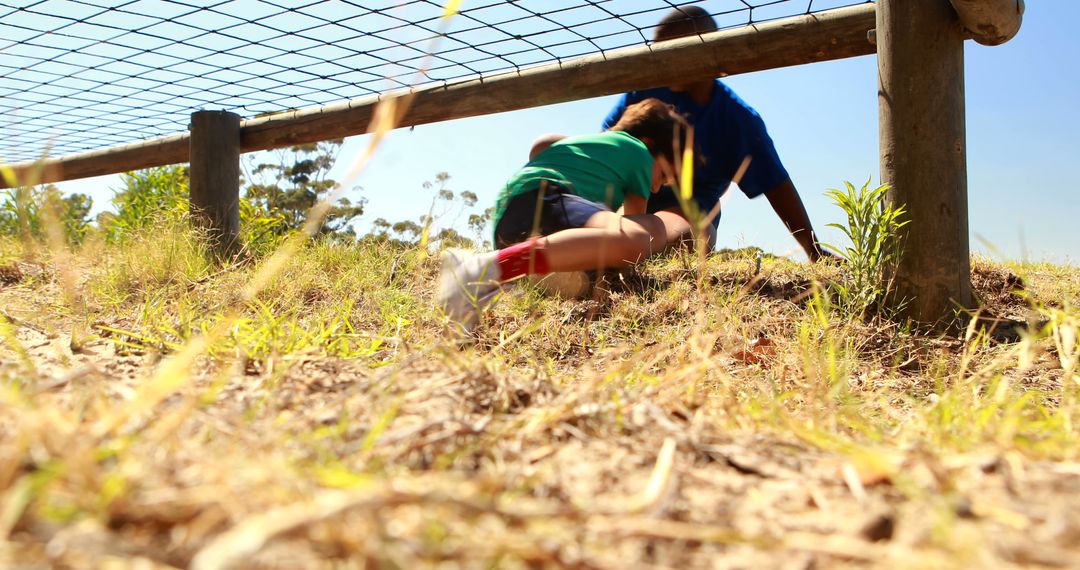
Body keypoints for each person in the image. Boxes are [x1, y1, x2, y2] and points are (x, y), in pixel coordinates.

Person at [532, 6, 833, 261]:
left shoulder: (736, 119)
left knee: (692, 234)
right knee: (546, 146)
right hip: (625, 191)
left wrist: (814, 250)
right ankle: (551, 234)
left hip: (684, 209)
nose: (659, 61)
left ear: (703, 53)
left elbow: (776, 184)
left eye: (669, 51)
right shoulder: (645, 89)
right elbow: (607, 143)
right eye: (656, 51)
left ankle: (601, 252)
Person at [438, 98, 688, 332]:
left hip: (514, 218)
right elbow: (631, 230)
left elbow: (541, 145)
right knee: (638, 238)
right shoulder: (638, 151)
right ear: (650, 143)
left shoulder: (592, 148)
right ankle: (486, 269)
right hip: (546, 199)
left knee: (651, 226)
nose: (656, 187)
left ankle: (521, 271)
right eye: (663, 176)